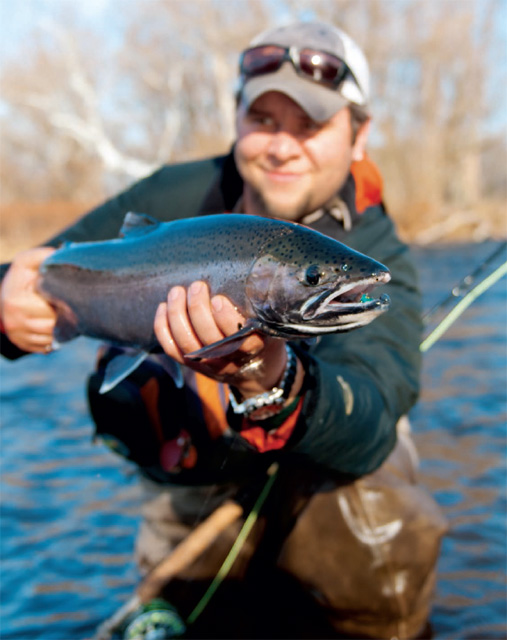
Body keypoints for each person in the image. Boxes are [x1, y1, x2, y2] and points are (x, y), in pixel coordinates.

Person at [0, 21, 447, 639]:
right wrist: (7, 305)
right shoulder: (180, 189)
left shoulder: (374, 254)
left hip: (326, 471)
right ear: (236, 118)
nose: (283, 146)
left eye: (310, 125)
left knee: (375, 501)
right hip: (198, 470)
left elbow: (372, 414)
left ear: (359, 134)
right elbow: (41, 267)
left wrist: (273, 379)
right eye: (264, 120)